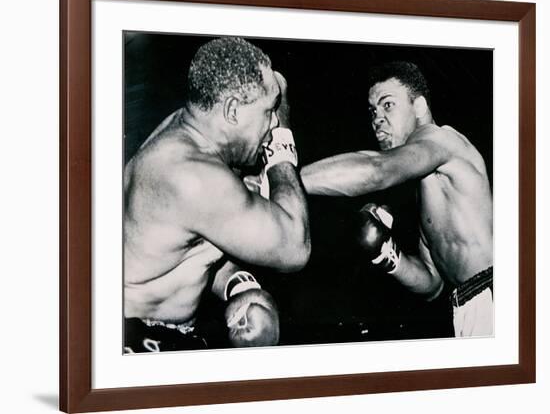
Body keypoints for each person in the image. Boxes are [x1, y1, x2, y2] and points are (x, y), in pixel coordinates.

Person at [123, 37, 311, 352]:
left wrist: (239, 285)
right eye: (268, 110)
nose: (273, 120)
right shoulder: (191, 174)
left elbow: (182, 251)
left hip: (149, 326)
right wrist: (282, 144)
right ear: (233, 110)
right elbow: (294, 247)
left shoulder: (186, 136)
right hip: (138, 338)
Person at [300, 61, 493, 337]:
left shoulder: (441, 140)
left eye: (387, 104)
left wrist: (286, 181)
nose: (377, 118)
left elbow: (376, 169)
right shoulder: (426, 184)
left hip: (495, 293)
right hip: (467, 304)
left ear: (419, 107)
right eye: (372, 111)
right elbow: (433, 283)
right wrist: (387, 254)